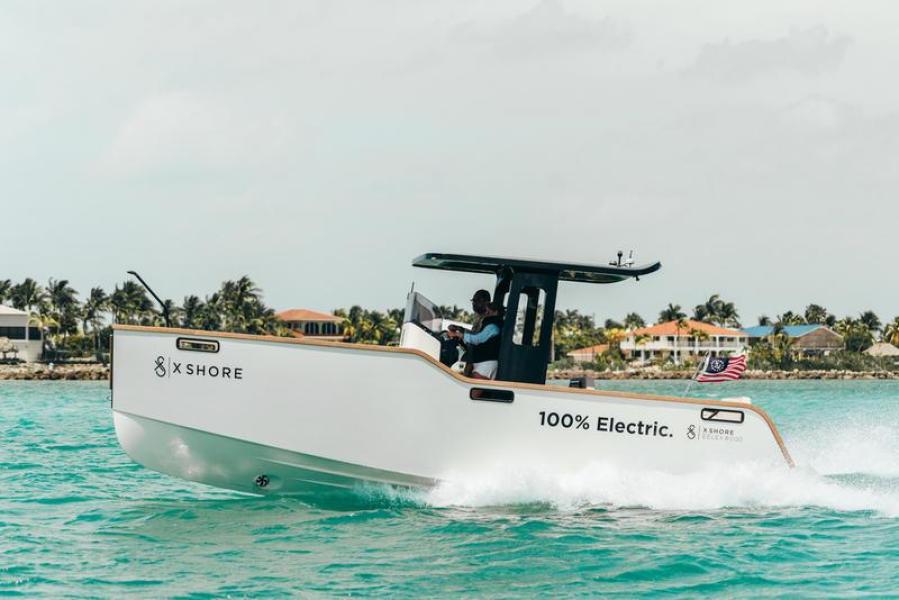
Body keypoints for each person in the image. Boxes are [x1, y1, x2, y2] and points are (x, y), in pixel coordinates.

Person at [448, 299, 503, 379]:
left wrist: (460, 335)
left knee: (475, 384)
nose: (486, 313)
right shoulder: (490, 324)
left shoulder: (493, 327)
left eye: (488, 311)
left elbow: (478, 339)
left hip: (486, 363)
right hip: (481, 361)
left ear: (495, 312)